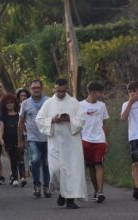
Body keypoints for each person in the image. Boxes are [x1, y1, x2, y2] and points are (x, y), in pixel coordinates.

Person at [35, 78, 86, 209]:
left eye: (63, 91)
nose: (61, 93)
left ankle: (70, 199)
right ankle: (61, 192)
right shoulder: (48, 103)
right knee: (55, 170)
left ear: (66, 89)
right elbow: (39, 120)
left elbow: (81, 120)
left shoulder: (74, 102)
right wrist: (52, 119)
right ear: (54, 88)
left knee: (72, 171)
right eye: (58, 91)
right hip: (55, 142)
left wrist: (69, 119)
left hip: (71, 142)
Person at [18, 80, 52, 197]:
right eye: (33, 88)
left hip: (47, 137)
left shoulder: (48, 101)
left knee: (47, 163)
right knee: (36, 160)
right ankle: (36, 185)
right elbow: (21, 122)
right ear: (30, 89)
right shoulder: (25, 103)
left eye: (38, 87)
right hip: (32, 138)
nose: (36, 90)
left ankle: (46, 187)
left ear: (41, 88)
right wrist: (20, 140)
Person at [80, 82, 109, 203]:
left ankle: (101, 192)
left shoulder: (102, 106)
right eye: (99, 92)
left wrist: (106, 139)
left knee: (98, 164)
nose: (101, 94)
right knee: (91, 166)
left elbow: (105, 122)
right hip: (85, 140)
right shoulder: (79, 105)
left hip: (99, 140)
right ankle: (96, 191)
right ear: (92, 92)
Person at [0, 94, 24, 187]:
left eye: (11, 103)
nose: (9, 105)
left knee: (20, 158)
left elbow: (23, 127)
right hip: (8, 140)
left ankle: (22, 177)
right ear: (4, 105)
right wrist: (1, 139)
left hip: (19, 139)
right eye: (7, 103)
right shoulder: (3, 116)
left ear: (15, 104)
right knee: (12, 159)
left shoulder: (19, 115)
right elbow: (1, 129)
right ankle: (14, 178)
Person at [15, 88, 31, 179]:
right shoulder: (17, 107)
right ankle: (26, 169)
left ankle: (31, 166)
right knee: (24, 151)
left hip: (31, 130)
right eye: (21, 96)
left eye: (25, 95)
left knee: (31, 150)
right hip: (22, 131)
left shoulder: (30, 104)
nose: (23, 97)